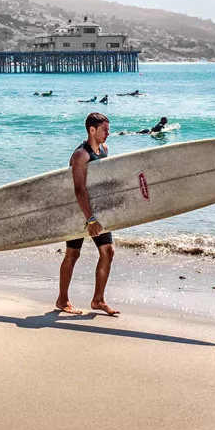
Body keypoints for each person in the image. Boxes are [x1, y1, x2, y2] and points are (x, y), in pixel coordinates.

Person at [56, 112, 120, 316]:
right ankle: (62, 300)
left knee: (108, 251)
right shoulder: (80, 155)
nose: (108, 133)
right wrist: (90, 219)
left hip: (97, 210)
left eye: (108, 130)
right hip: (78, 210)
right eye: (105, 130)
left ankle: (98, 300)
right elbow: (79, 189)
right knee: (73, 254)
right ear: (92, 130)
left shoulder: (104, 149)